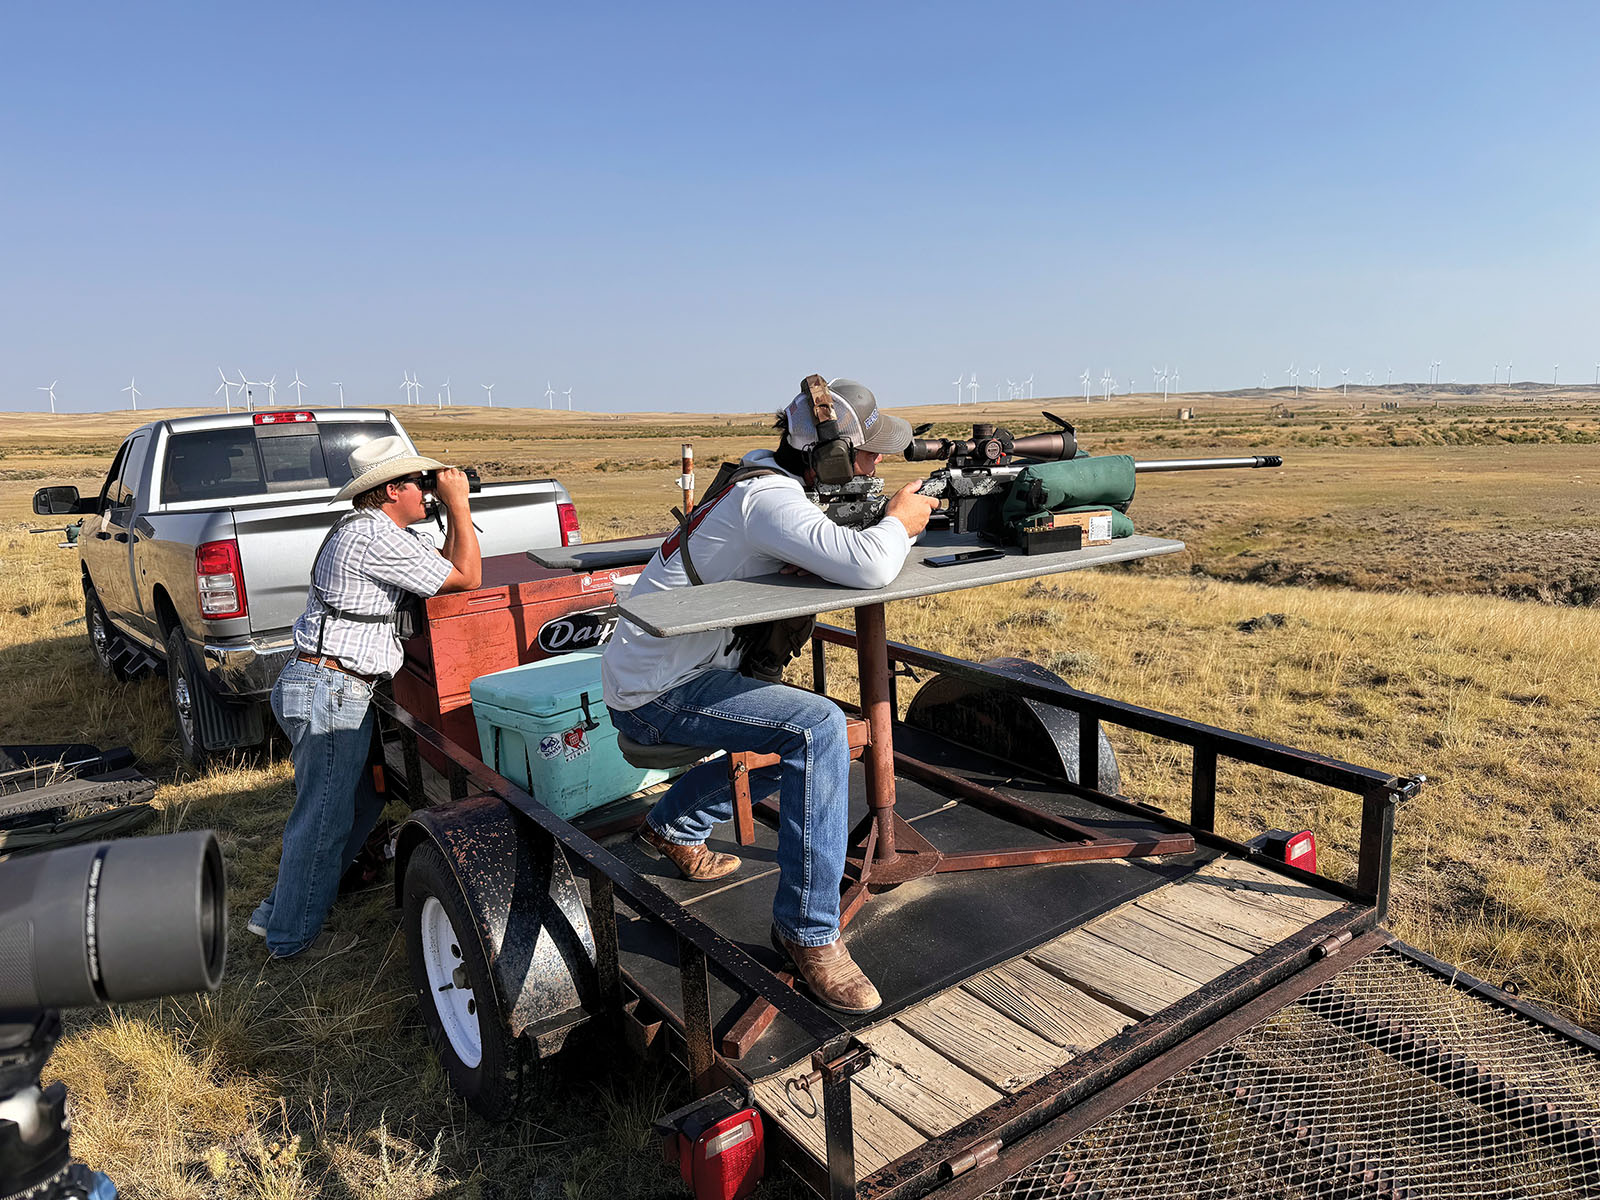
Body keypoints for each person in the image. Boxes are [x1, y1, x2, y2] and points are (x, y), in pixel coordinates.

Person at [602, 378, 940, 1013]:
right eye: (868, 455)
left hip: (678, 669)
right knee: (816, 729)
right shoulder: (769, 500)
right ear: (835, 455)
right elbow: (869, 565)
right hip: (656, 690)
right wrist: (899, 521)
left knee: (797, 732)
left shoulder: (770, 488)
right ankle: (807, 932)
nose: (875, 467)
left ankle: (676, 824)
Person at [250, 436, 482, 959]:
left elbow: (443, 573)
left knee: (359, 802)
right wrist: (460, 505)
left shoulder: (383, 532)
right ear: (390, 489)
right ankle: (291, 937)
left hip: (331, 686)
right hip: (329, 689)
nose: (428, 492)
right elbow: (468, 578)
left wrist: (448, 510)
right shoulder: (372, 537)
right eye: (420, 484)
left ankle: (279, 911)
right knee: (323, 818)